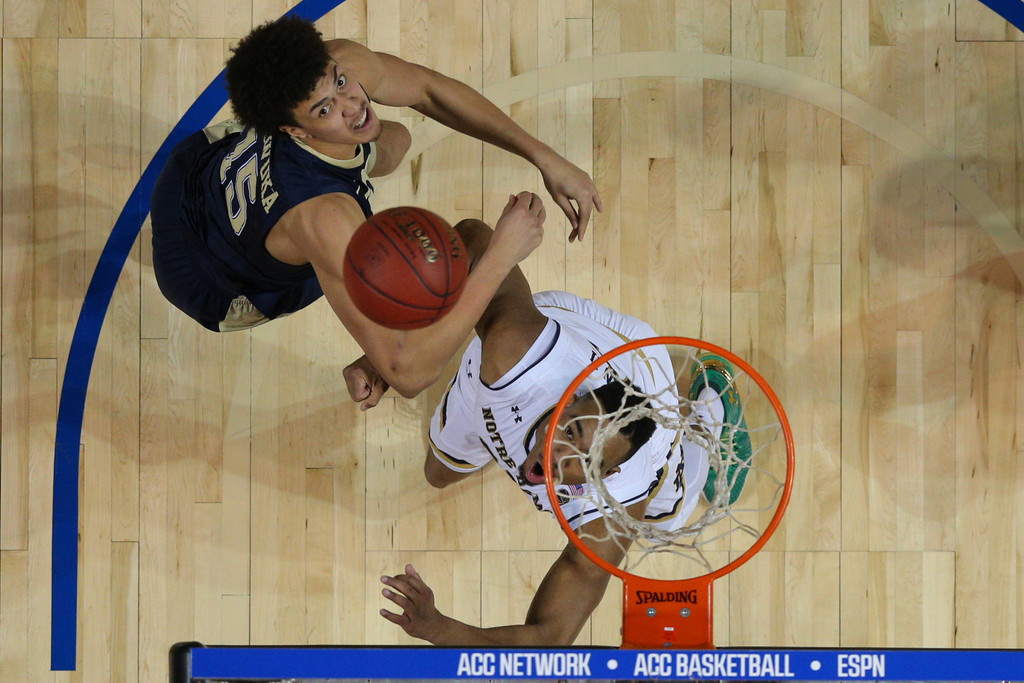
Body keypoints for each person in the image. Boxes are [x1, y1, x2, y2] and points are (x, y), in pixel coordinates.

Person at [149, 16, 601, 398]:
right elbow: (410, 375)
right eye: (325, 110)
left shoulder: (329, 65)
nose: (352, 105)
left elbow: (428, 90)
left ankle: (377, 326)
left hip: (196, 166)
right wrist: (503, 253)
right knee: (421, 267)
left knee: (394, 140)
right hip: (209, 277)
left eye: (341, 83)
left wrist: (545, 157)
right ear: (294, 130)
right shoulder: (325, 216)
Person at [371, 222, 737, 646]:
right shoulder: (514, 353)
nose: (559, 455)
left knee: (669, 512)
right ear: (572, 401)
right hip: (600, 338)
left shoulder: (621, 501)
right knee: (439, 468)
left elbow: (552, 635)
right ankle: (707, 407)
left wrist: (439, 629)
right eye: (572, 430)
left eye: (588, 462)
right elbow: (471, 239)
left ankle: (707, 420)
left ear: (606, 477)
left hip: (642, 393)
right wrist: (393, 353)